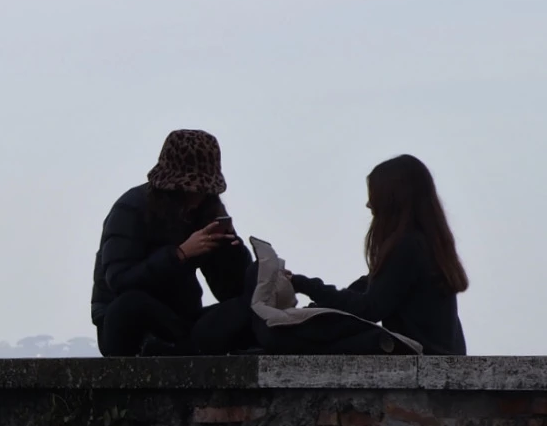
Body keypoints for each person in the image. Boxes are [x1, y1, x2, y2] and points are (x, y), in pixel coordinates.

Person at [285, 155, 468, 356]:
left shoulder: (409, 247)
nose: (369, 204)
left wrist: (305, 286)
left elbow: (369, 308)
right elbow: (368, 288)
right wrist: (316, 306)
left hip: (423, 358)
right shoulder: (426, 245)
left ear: (392, 198)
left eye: (374, 194)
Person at [92, 129, 253, 356]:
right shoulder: (130, 208)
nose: (196, 199)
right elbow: (119, 281)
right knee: (129, 305)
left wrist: (230, 253)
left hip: (181, 320)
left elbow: (229, 292)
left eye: (203, 192)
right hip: (130, 322)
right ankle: (178, 348)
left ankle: (188, 348)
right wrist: (180, 255)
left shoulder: (207, 210)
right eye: (189, 192)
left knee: (248, 310)